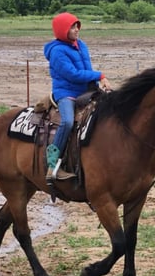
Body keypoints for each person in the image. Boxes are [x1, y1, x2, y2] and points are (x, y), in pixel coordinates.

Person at [43, 12, 111, 181]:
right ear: (62, 30)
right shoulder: (57, 51)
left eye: (77, 26)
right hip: (66, 92)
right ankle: (52, 164)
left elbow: (86, 68)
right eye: (72, 27)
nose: (76, 30)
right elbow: (72, 74)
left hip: (86, 90)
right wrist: (99, 75)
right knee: (66, 122)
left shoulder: (81, 45)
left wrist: (96, 84)